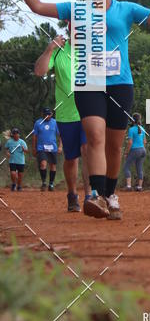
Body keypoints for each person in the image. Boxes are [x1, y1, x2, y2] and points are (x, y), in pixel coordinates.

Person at [7, 0, 150, 221]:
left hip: (120, 84)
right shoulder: (77, 8)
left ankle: (111, 195)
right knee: (95, 136)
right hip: (89, 83)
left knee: (113, 145)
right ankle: (97, 195)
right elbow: (38, 6)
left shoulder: (126, 9)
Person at [34, 28, 91, 212]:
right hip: (67, 115)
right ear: (68, 26)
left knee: (87, 150)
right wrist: (50, 48)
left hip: (90, 112)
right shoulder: (59, 50)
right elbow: (39, 71)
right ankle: (72, 194)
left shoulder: (91, 48)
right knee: (71, 157)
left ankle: (90, 196)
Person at [32, 108, 61, 191]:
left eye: (49, 114)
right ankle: (44, 182)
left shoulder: (55, 123)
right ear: (43, 114)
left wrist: (60, 146)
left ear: (51, 114)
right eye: (45, 114)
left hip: (53, 147)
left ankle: (51, 184)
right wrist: (34, 148)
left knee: (53, 165)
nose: (47, 116)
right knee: (43, 164)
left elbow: (60, 135)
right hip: (41, 147)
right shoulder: (38, 123)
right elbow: (35, 136)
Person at [123, 113, 147, 191]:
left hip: (135, 150)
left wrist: (126, 153)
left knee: (126, 167)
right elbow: (145, 142)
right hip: (143, 150)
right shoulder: (142, 129)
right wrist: (141, 148)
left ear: (132, 120)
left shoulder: (131, 129)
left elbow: (130, 142)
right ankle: (139, 187)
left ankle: (129, 186)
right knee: (139, 168)